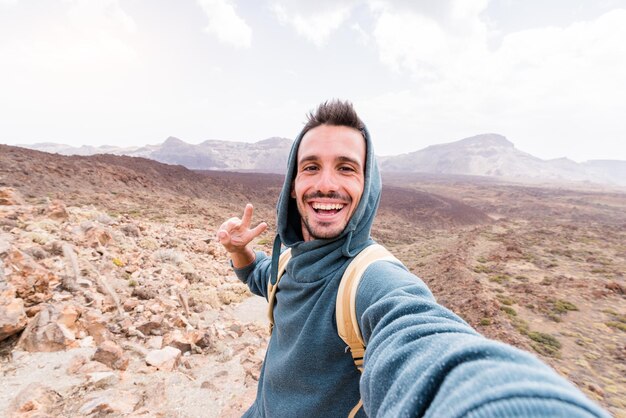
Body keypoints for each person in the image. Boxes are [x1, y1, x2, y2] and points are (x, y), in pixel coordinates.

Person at [216, 100, 608, 417]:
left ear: (367, 186)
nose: (326, 184)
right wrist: (239, 251)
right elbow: (267, 279)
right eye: (311, 167)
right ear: (293, 183)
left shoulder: (371, 281)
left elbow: (420, 338)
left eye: (347, 168)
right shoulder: (291, 260)